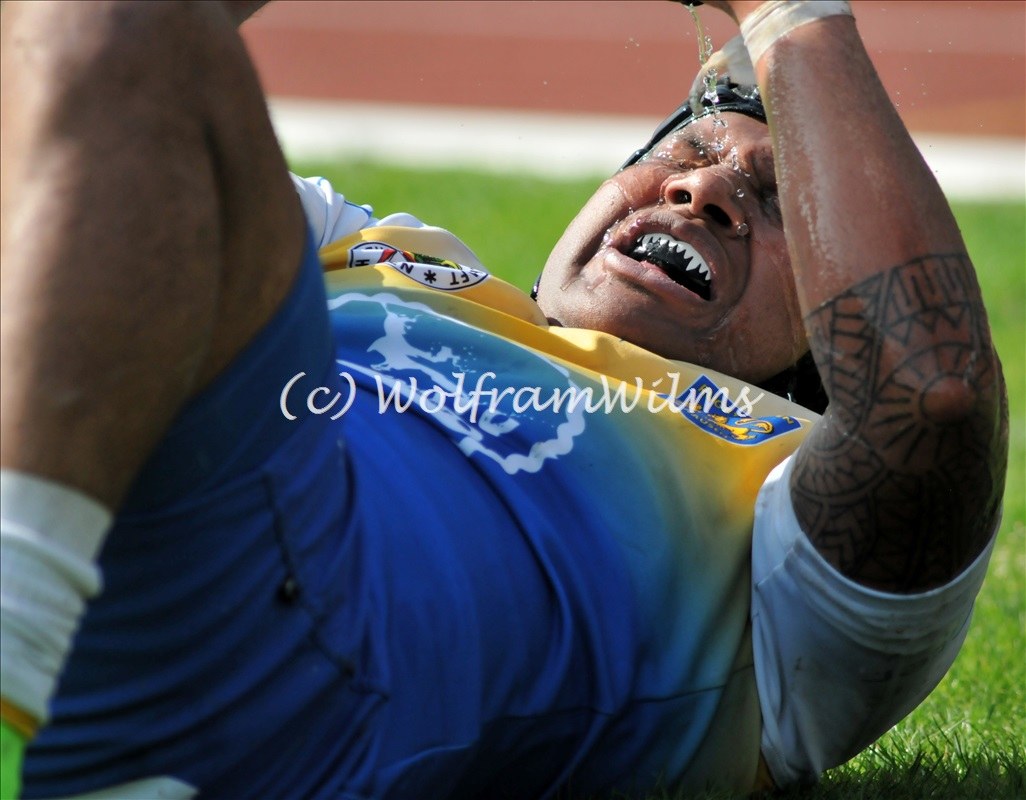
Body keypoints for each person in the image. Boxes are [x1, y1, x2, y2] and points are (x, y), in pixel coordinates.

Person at [0, 0, 1008, 797]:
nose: (702, 192)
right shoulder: (379, 251)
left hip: (275, 682)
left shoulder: (781, 516)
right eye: (689, 151)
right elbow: (88, 82)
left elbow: (931, 394)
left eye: (777, 199)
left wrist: (788, 13)